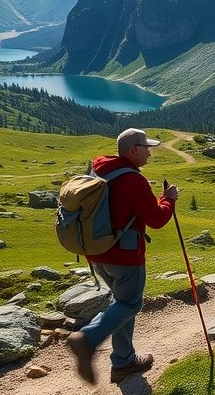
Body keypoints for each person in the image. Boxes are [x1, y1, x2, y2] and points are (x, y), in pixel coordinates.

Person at [66, 128, 179, 385]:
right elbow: (157, 219)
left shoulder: (99, 171)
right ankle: (88, 339)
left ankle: (123, 360)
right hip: (126, 255)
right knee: (130, 304)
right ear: (133, 150)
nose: (149, 152)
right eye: (146, 148)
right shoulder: (132, 180)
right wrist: (169, 199)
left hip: (96, 253)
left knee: (121, 303)